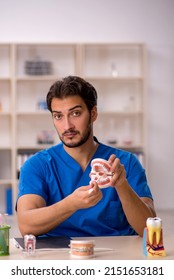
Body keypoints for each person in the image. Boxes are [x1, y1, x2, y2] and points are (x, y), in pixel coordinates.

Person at [16, 75, 156, 238]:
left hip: (116, 257)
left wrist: (122, 186)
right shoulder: (37, 165)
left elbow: (149, 229)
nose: (67, 126)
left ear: (93, 113)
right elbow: (26, 225)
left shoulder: (126, 163)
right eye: (58, 116)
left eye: (76, 113)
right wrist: (71, 204)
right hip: (59, 256)